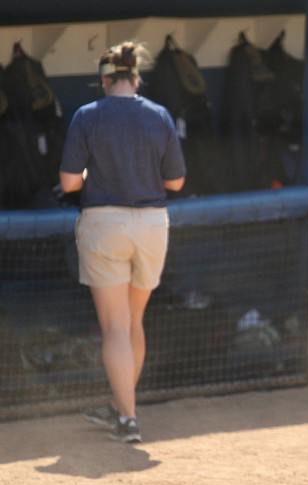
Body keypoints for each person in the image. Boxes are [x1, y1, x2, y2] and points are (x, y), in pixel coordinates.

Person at [60, 42, 186, 443]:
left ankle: (128, 420)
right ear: (136, 77)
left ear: (104, 79)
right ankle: (121, 408)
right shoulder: (159, 115)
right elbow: (176, 182)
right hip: (151, 225)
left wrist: (92, 172)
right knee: (133, 323)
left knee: (114, 327)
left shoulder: (87, 115)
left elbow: (68, 183)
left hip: (105, 222)